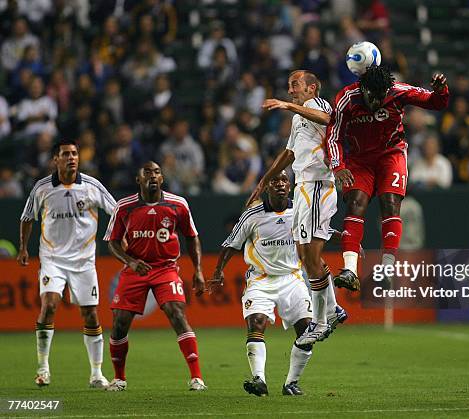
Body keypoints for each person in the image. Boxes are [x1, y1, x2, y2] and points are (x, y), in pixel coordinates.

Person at [212, 171, 342, 396]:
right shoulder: (252, 215)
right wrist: (218, 270)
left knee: (306, 330)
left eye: (284, 180)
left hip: (292, 278)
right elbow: (232, 243)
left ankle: (291, 383)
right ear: (266, 187)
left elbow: (321, 230)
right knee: (257, 322)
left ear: (290, 187)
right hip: (261, 279)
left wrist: (346, 240)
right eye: (275, 181)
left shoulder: (301, 210)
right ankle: (259, 380)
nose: (280, 184)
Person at [246, 70, 346, 345]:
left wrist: (288, 105)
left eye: (295, 86)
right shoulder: (298, 117)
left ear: (312, 88)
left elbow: (330, 120)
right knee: (305, 256)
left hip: (317, 184)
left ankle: (322, 320)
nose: (291, 91)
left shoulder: (317, 105)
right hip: (302, 185)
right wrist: (264, 180)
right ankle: (334, 310)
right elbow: (289, 153)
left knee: (311, 256)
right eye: (289, 87)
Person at [326, 65, 448, 290]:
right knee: (355, 204)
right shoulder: (346, 98)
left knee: (390, 204)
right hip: (360, 160)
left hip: (391, 156)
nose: (376, 103)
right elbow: (333, 136)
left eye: (381, 98)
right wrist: (338, 165)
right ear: (363, 89)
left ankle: (387, 269)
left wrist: (441, 91)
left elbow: (436, 103)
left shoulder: (398, 91)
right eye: (372, 98)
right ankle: (350, 270)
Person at [18, 139, 117, 388]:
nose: (71, 157)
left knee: (91, 315)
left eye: (74, 153)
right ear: (56, 160)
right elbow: (27, 217)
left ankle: (96, 374)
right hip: (53, 259)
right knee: (50, 305)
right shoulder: (42, 188)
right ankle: (43, 368)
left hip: (84, 262)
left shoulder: (92, 186)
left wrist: (119, 238)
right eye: (66, 154)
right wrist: (22, 248)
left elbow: (117, 212)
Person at [103, 161, 207, 391]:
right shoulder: (124, 207)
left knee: (176, 313)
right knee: (119, 324)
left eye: (157, 172)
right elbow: (112, 242)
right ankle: (119, 378)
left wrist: (198, 270)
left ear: (162, 179)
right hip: (135, 269)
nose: (153, 176)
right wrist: (130, 261)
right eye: (147, 172)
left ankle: (197, 377)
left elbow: (192, 237)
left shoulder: (177, 204)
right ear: (138, 179)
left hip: (166, 268)